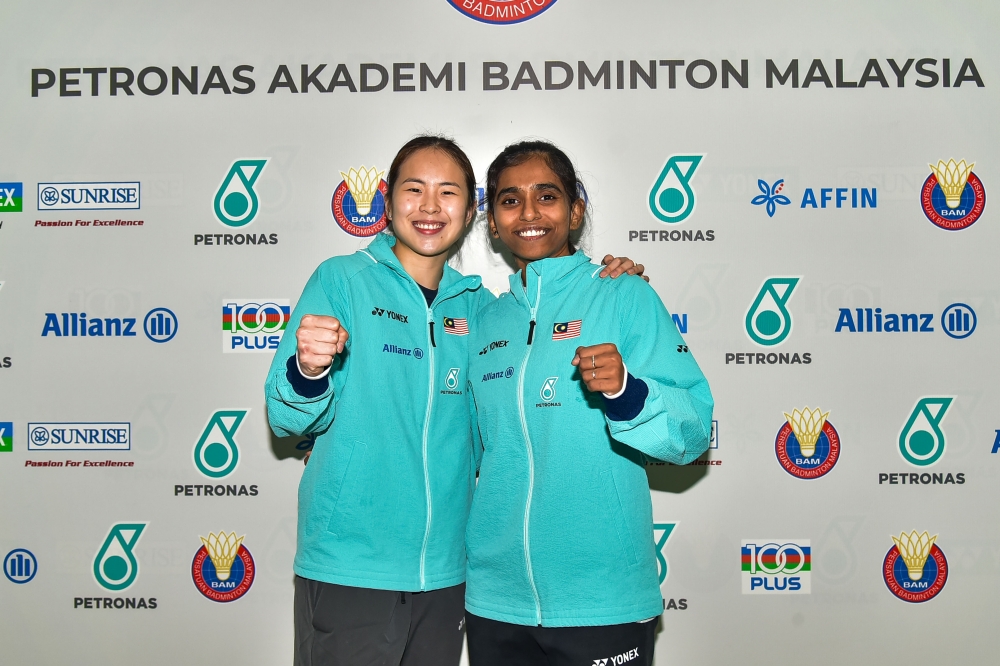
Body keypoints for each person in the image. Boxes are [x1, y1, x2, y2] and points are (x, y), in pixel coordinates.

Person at [264, 135, 645, 666]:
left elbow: (497, 428)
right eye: (413, 189)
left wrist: (604, 282)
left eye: (447, 192)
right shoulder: (342, 280)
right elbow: (286, 417)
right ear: (387, 202)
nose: (429, 206)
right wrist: (309, 370)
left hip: (448, 576)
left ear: (470, 214)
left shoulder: (482, 310)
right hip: (352, 565)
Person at [465, 140, 714, 666]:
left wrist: (627, 393)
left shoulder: (623, 294)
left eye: (546, 196)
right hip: (496, 600)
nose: (528, 213)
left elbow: (693, 431)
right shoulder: (485, 320)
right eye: (509, 200)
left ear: (575, 211)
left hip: (602, 600)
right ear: (493, 225)